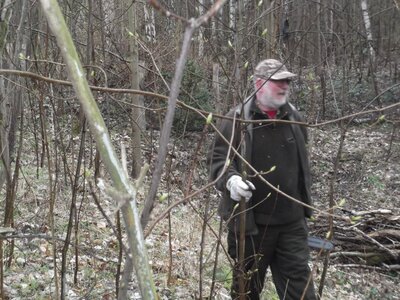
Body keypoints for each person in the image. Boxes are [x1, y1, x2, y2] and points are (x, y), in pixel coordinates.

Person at [208, 59, 317, 299]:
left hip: (291, 223)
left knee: (301, 290)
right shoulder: (236, 119)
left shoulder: (294, 117)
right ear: (259, 84)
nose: (285, 86)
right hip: (251, 226)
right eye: (278, 81)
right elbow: (218, 160)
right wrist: (231, 180)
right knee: (246, 290)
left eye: (287, 81)